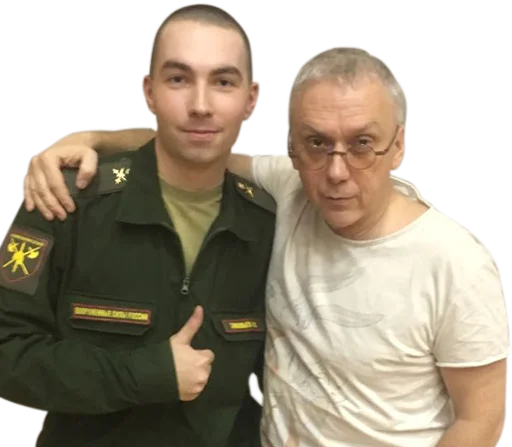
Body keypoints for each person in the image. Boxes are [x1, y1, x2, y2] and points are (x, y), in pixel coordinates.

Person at [22, 45, 511, 446]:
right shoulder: (289, 190)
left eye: (363, 144)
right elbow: (193, 146)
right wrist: (91, 139)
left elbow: (481, 421)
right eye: (317, 143)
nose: (336, 171)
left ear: (398, 145)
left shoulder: (454, 264)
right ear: (293, 150)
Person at [0, 4, 277, 447]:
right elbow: (7, 351)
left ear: (250, 99)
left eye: (223, 82)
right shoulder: (67, 200)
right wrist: (145, 374)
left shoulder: (268, 224)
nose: (201, 105)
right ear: (149, 91)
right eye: (178, 79)